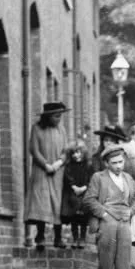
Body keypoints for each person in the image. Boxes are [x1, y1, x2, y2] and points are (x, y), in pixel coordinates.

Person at [85, 144, 135, 269]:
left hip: (124, 224)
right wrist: (104, 214)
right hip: (107, 224)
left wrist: (131, 211)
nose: (119, 165)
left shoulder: (128, 178)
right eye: (114, 163)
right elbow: (89, 199)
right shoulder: (98, 178)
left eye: (121, 161)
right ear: (107, 164)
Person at [25, 101, 69, 250]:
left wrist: (58, 163)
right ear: (48, 116)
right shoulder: (36, 129)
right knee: (41, 201)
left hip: (57, 172)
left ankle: (58, 237)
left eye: (60, 116)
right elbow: (34, 150)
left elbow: (65, 150)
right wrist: (46, 165)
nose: (59, 119)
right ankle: (40, 236)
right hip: (41, 171)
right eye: (56, 116)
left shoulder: (61, 130)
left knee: (57, 203)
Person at [61, 138, 93, 249]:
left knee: (84, 217)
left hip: (85, 192)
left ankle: (83, 238)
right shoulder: (69, 166)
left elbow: (90, 178)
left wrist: (84, 187)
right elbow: (67, 177)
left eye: (78, 152)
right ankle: (75, 238)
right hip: (73, 193)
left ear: (83, 153)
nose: (76, 155)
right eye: (73, 153)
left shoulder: (88, 166)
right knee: (74, 216)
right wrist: (74, 187)